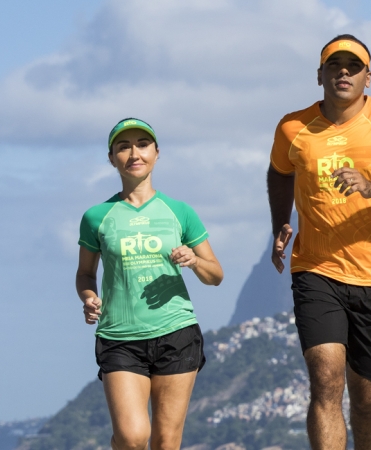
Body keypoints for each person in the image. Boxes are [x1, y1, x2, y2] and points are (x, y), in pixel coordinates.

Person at [266, 34, 371, 450]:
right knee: (325, 382)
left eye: (354, 67)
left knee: (366, 398)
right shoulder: (293, 126)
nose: (344, 73)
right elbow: (279, 172)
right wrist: (280, 223)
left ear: (368, 77)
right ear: (320, 74)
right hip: (316, 269)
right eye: (335, 65)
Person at [75, 118, 224, 450]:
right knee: (131, 437)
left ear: (157, 153)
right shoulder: (97, 216)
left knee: (166, 442)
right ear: (112, 157)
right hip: (119, 338)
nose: (134, 152)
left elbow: (215, 275)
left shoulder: (179, 211)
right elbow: (85, 273)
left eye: (142, 144)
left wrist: (194, 260)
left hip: (177, 333)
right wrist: (89, 297)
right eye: (123, 146)